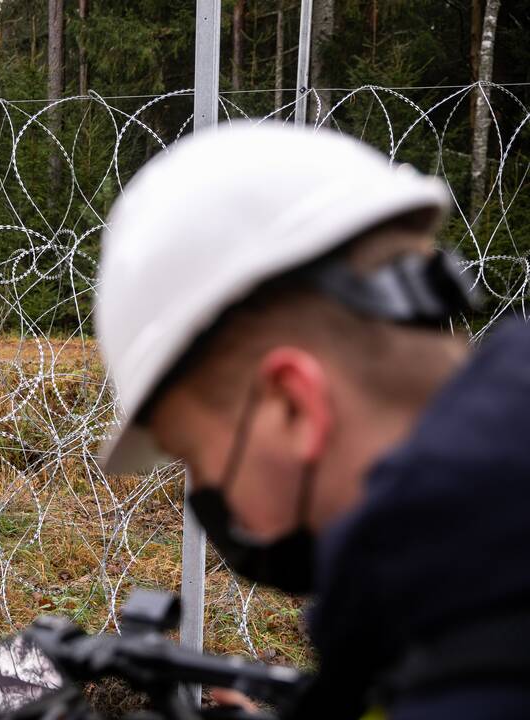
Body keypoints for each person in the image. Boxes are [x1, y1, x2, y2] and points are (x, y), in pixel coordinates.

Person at [93, 124, 530, 719]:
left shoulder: (480, 672)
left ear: (293, 407)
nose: (209, 496)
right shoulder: (461, 606)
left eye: (195, 455)